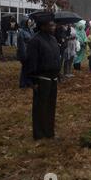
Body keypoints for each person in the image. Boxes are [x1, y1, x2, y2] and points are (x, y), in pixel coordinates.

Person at [26, 12, 61, 140]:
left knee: (51, 106)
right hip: (41, 78)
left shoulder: (53, 39)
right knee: (40, 107)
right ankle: (39, 134)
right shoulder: (35, 41)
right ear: (43, 26)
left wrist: (58, 73)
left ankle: (49, 132)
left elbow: (55, 57)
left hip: (53, 78)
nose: (54, 27)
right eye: (51, 25)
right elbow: (31, 62)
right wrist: (33, 80)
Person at [17, 17, 35, 88]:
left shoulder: (31, 30)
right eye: (28, 22)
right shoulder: (21, 32)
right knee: (25, 68)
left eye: (30, 22)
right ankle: (22, 83)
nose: (30, 23)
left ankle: (28, 82)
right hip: (24, 53)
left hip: (30, 52)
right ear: (25, 23)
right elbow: (21, 45)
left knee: (29, 68)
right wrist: (24, 55)